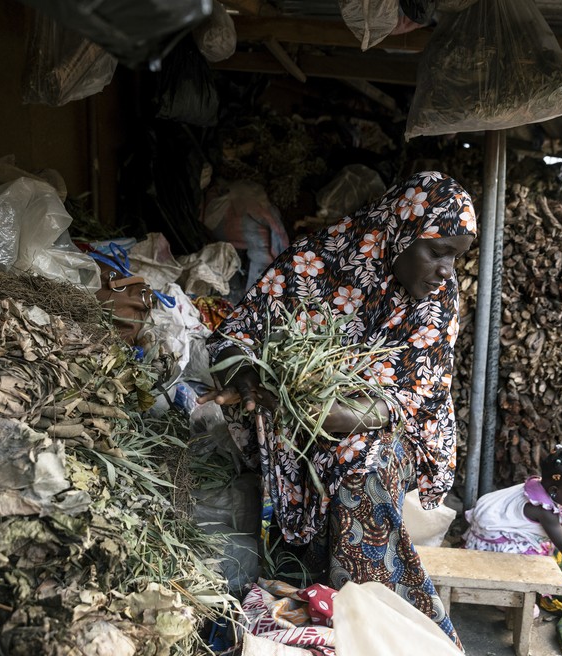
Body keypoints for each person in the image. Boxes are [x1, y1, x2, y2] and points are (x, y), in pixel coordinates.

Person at [200, 171, 477, 647]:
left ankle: (377, 616)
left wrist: (341, 416)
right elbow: (233, 338)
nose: (448, 269)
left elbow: (413, 399)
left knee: (358, 459)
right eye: (438, 252)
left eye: (456, 256)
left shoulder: (438, 301)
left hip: (397, 431)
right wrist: (246, 379)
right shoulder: (317, 262)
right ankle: (315, 593)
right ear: (399, 233)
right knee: (318, 450)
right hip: (299, 423)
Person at [463, 444, 562, 591]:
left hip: (486, 530)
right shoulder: (545, 512)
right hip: (493, 546)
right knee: (533, 565)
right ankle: (509, 592)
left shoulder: (542, 486)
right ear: (554, 491)